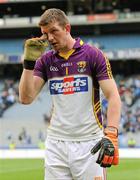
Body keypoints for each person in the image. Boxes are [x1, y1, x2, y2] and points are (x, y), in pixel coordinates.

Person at [19, 8, 121, 180]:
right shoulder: (45, 60)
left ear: (67, 28)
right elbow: (25, 98)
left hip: (89, 143)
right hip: (56, 144)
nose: (50, 38)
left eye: (54, 31)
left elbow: (113, 96)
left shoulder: (93, 55)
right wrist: (29, 64)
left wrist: (111, 134)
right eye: (45, 33)